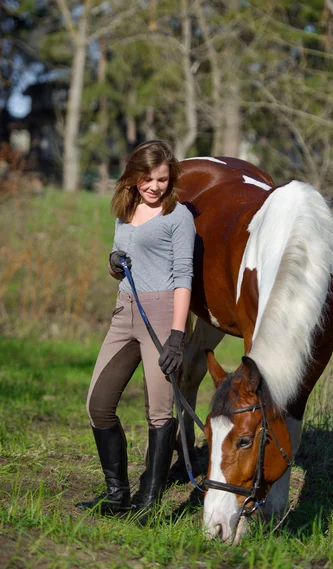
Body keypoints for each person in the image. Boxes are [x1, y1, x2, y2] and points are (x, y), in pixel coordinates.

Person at [76, 140, 195, 520]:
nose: (155, 186)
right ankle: (117, 494)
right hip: (125, 309)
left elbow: (183, 276)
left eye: (162, 178)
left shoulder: (178, 216)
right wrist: (113, 262)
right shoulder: (126, 209)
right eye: (148, 178)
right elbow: (121, 261)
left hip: (162, 314)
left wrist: (177, 336)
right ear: (134, 176)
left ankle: (149, 498)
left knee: (159, 413)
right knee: (98, 404)